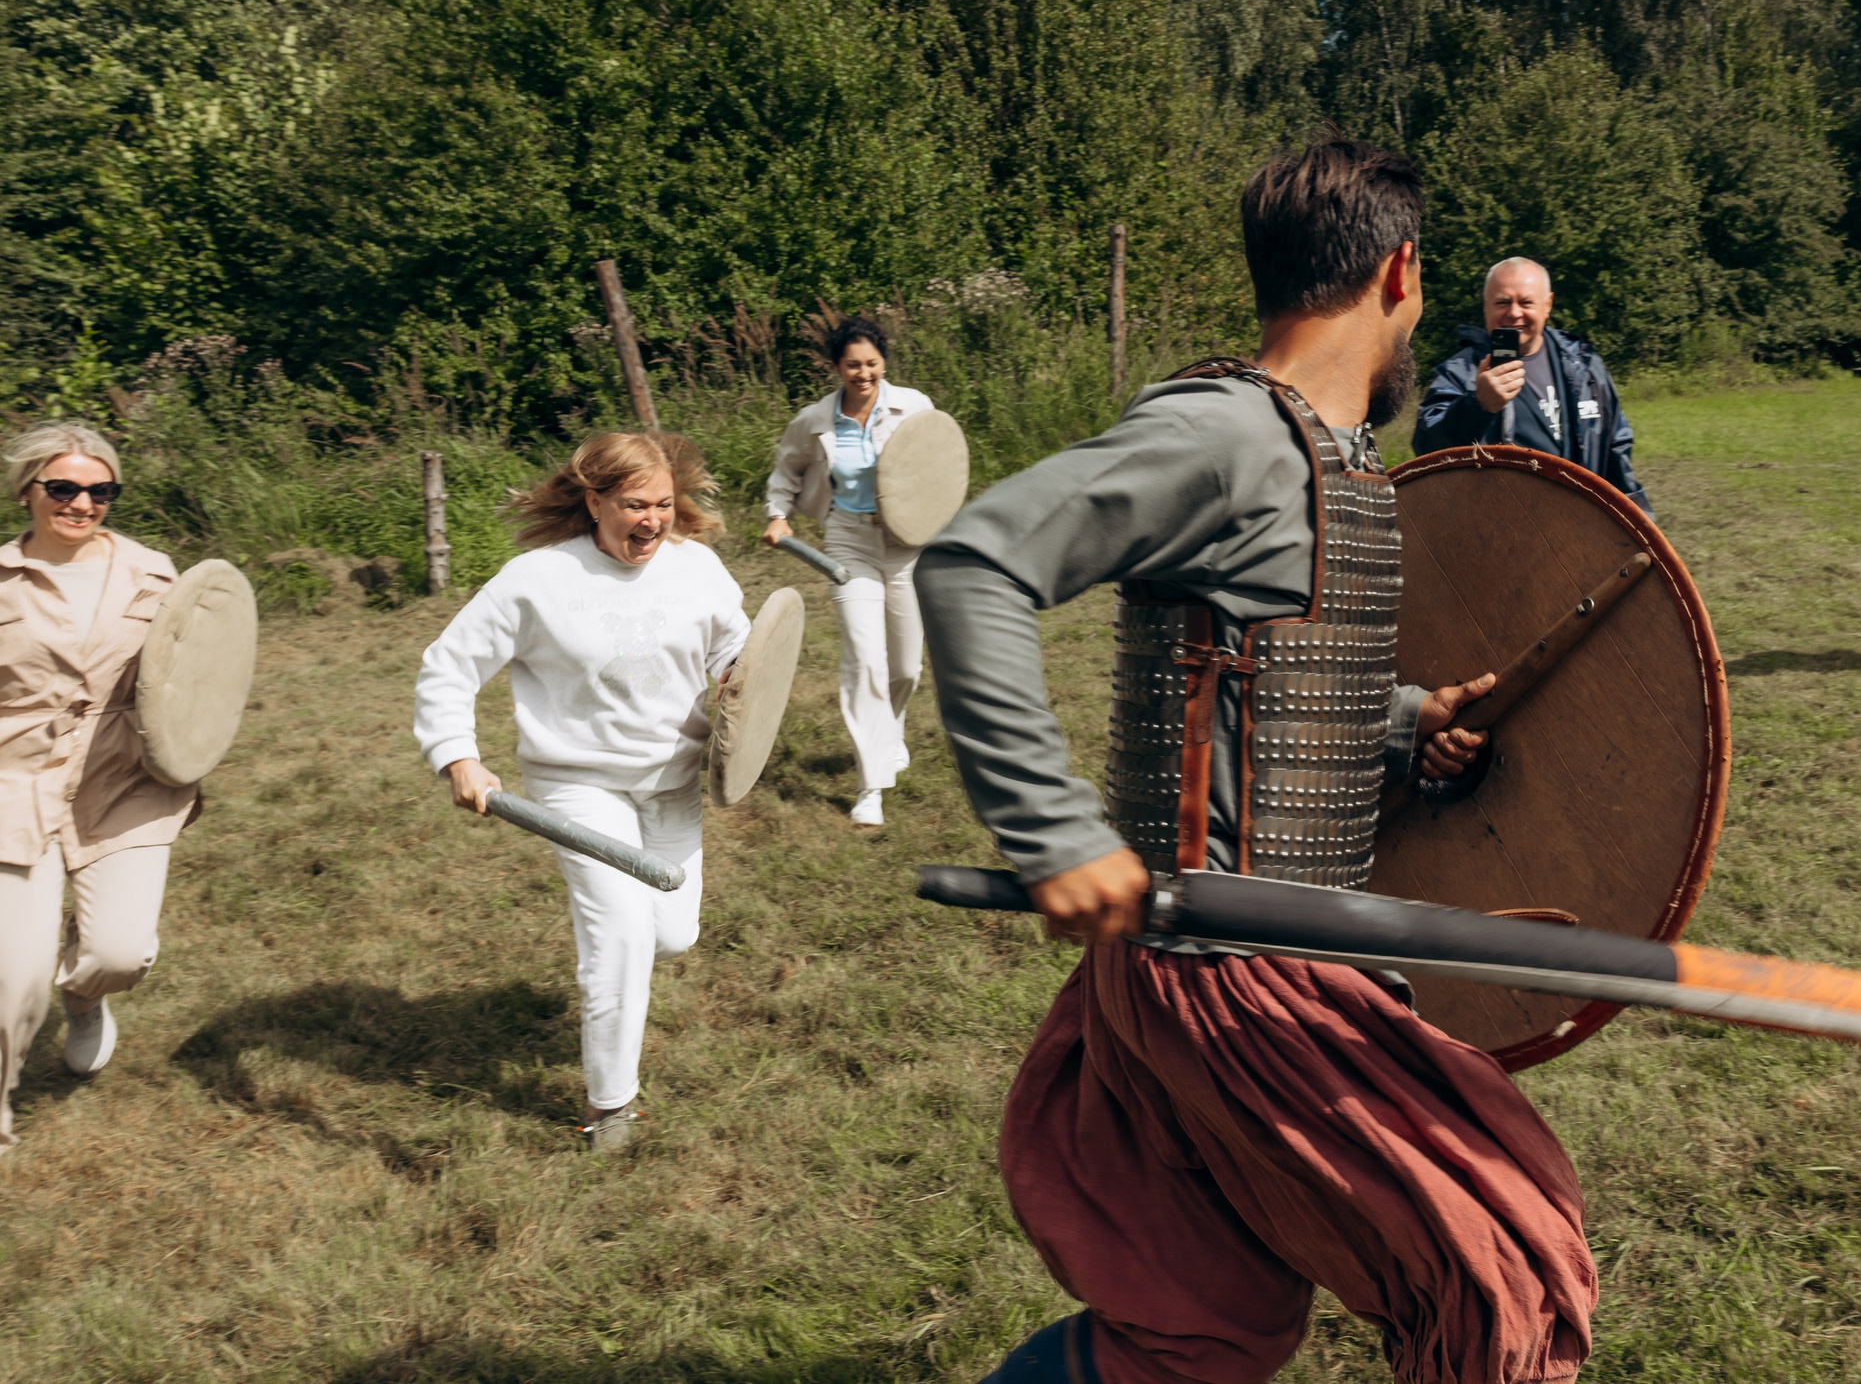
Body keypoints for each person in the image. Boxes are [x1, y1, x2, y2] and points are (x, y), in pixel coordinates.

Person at [918, 141, 1596, 1384]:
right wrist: (1051, 829)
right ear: (1400, 271)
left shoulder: (1333, 454)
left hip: (1255, 950)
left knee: (1201, 1329)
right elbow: (976, 563)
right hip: (1231, 976)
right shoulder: (1228, 432)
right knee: (1507, 1287)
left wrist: (1402, 722)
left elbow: (1255, 674)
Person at [414, 431, 748, 1152]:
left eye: (663, 504)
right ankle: (610, 1108)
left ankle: (617, 986)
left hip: (672, 780)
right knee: (620, 933)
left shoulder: (697, 568)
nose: (653, 520)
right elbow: (448, 666)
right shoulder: (536, 581)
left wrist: (736, 677)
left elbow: (735, 643)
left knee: (671, 934)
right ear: (595, 503)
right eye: (635, 505)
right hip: (578, 785)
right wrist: (457, 757)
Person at [0, 425, 202, 1152]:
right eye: (63, 488)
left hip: (122, 780)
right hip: (15, 780)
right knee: (11, 977)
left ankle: (83, 997)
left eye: (100, 491)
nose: (81, 503)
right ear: (27, 490)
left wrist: (192, 748)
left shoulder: (155, 573)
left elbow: (194, 676)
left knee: (118, 954)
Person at [762, 314, 935, 826]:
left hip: (904, 543)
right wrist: (778, 514)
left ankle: (891, 727)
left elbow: (938, 464)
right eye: (853, 365)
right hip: (848, 541)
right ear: (837, 367)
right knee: (864, 660)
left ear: (884, 362)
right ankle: (870, 786)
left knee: (906, 668)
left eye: (872, 363)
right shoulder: (815, 420)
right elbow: (786, 470)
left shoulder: (914, 407)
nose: (864, 374)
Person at [1412, 257, 1651, 514]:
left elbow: (1616, 448)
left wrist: (1639, 523)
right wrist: (1477, 405)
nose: (1514, 313)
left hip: (1581, 523)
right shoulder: (1461, 373)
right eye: (1502, 302)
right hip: (1501, 527)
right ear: (1486, 306)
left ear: (1547, 304)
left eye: (1526, 302)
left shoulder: (1584, 366)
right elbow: (1426, 448)